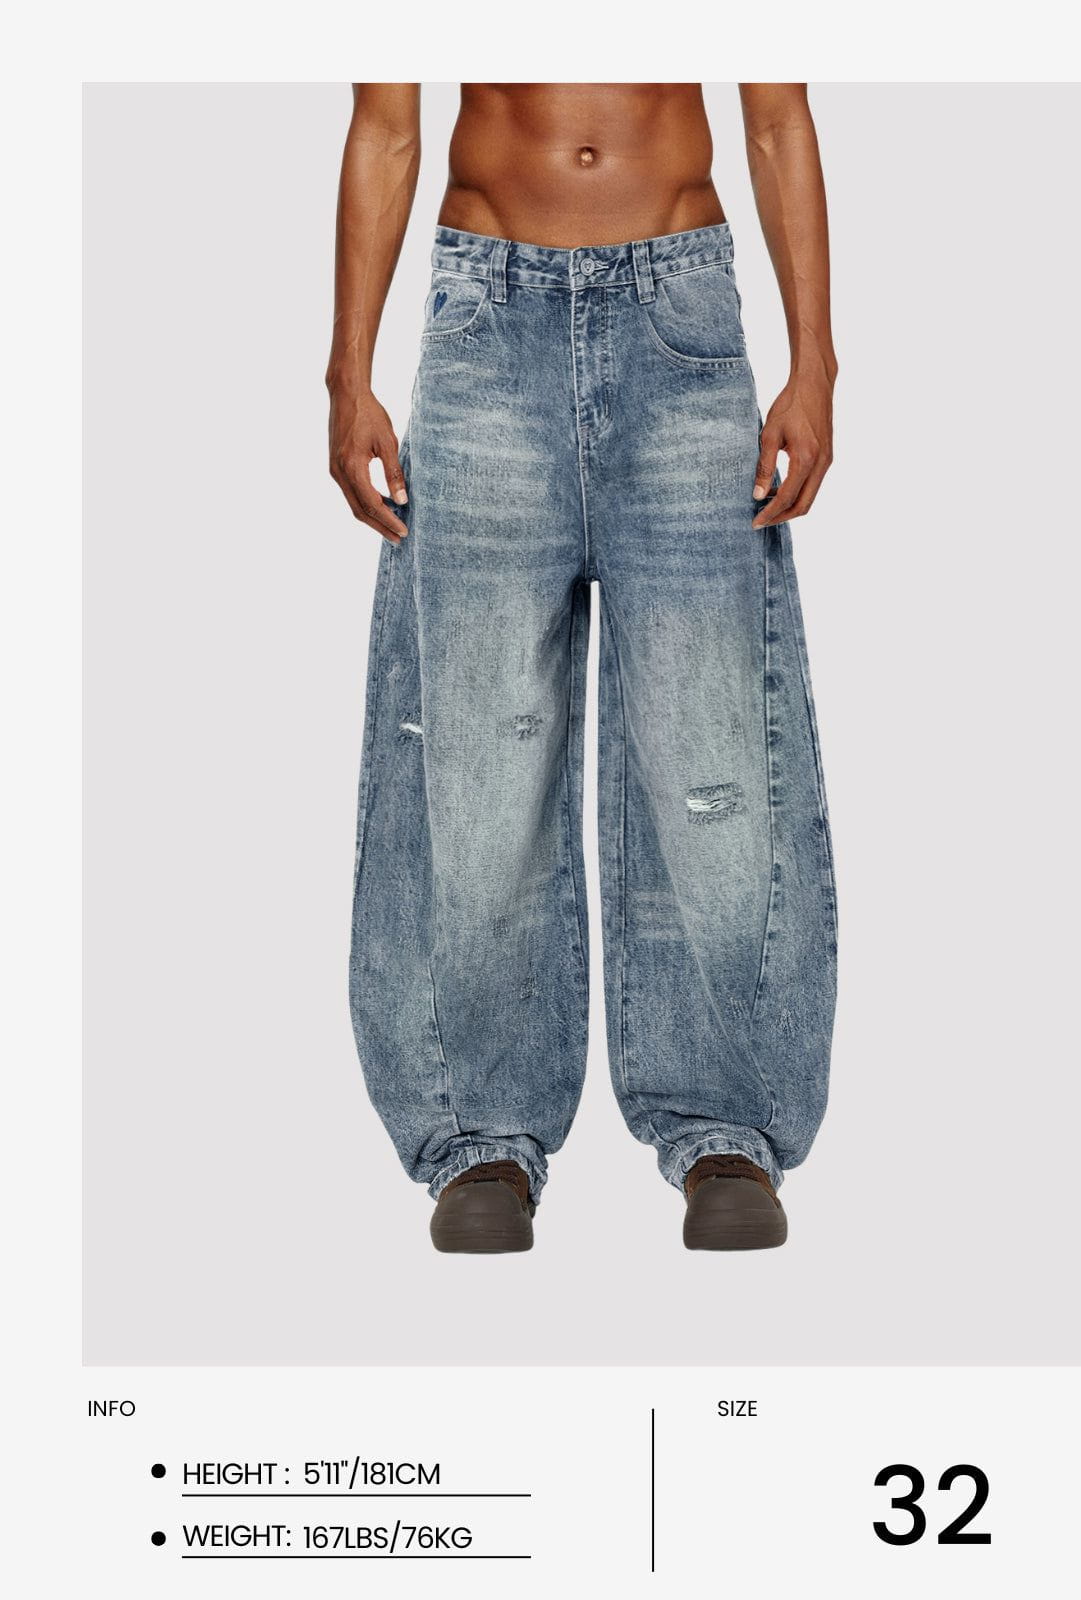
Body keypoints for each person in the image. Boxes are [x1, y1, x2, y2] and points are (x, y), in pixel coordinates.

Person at [327, 84, 838, 1252]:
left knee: (712, 744)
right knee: (479, 746)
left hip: (681, 314)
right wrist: (348, 373)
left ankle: (727, 1128)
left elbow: (777, 115)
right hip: (485, 320)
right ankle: (480, 1136)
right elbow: (385, 122)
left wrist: (815, 362)